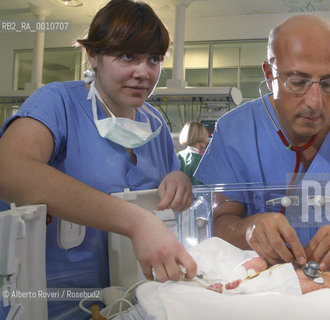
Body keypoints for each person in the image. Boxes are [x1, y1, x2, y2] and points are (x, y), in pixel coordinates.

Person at [0, 0, 196, 318]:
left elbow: (164, 193)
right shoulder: (58, 103)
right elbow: (9, 171)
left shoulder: (155, 126)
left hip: (132, 300)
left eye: (154, 59)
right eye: (127, 56)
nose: (143, 72)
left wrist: (178, 180)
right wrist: (135, 221)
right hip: (52, 303)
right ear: (93, 55)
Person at [194, 15, 330, 273]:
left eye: (329, 83)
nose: (314, 102)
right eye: (297, 82)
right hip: (262, 288)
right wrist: (248, 229)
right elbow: (222, 222)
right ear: (269, 74)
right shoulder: (236, 130)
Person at [209, 256, 330, 295]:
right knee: (257, 262)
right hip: (272, 273)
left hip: (275, 290)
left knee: (251, 293)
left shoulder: (326, 293)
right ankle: (230, 279)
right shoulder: (325, 272)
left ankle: (230, 290)